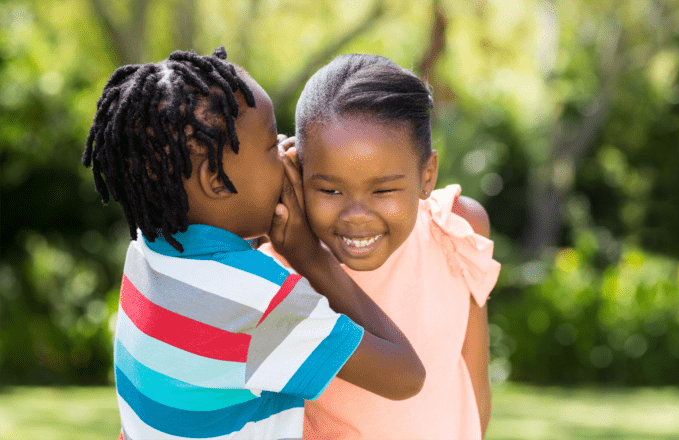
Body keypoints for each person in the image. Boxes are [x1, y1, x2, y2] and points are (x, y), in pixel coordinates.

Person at [82, 47, 424, 440]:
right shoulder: (259, 303)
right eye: (269, 145)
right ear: (216, 179)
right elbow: (405, 375)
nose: (286, 153)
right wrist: (311, 258)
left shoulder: (148, 250)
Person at [263, 54, 500, 439]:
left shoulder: (457, 228)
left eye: (384, 189)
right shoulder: (277, 265)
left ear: (427, 176)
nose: (356, 215)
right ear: (297, 172)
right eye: (330, 189)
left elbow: (474, 383)